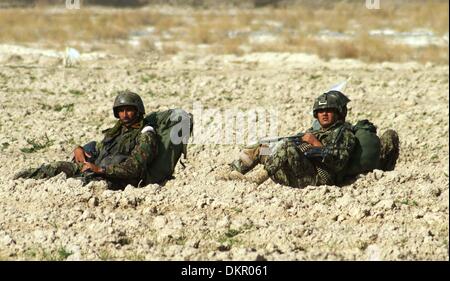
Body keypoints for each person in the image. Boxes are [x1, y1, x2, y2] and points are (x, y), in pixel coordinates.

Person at [220, 90, 399, 187]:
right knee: (262, 146)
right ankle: (233, 172)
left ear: (339, 113)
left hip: (318, 178)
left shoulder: (344, 134)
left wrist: (316, 146)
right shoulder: (315, 130)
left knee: (288, 147)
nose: (324, 114)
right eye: (321, 111)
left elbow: (339, 162)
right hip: (297, 170)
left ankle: (256, 179)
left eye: (329, 110)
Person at [14, 90, 158, 189]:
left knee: (79, 184)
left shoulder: (146, 135)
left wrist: (101, 169)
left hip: (117, 179)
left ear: (138, 110)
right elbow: (101, 148)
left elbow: (134, 168)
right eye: (121, 110)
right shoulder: (118, 130)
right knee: (56, 168)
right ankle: (17, 181)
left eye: (129, 110)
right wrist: (80, 149)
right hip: (97, 168)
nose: (124, 115)